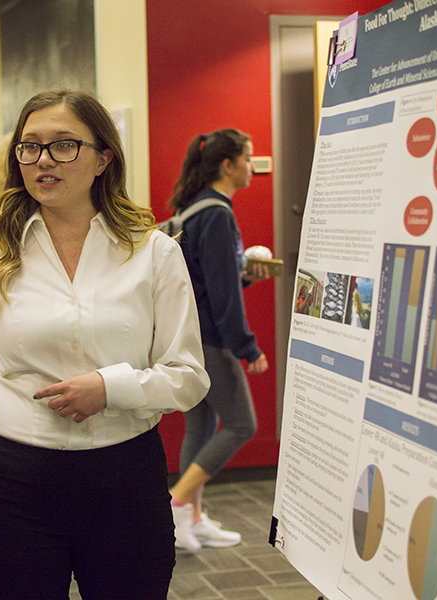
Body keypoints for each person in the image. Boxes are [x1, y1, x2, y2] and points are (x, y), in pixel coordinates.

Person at [0, 89, 209, 599]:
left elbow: (188, 375)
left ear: (103, 158)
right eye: (29, 147)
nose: (43, 160)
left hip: (125, 481)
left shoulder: (153, 252)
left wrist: (110, 388)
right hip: (16, 483)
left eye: (64, 145)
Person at [166, 128, 272, 552]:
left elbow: (209, 283)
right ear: (228, 165)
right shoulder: (218, 214)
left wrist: (243, 272)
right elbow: (222, 296)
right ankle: (175, 506)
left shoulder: (194, 208)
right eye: (247, 158)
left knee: (202, 425)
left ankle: (190, 517)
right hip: (210, 342)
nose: (252, 166)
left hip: (189, 338)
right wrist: (247, 347)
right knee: (243, 425)